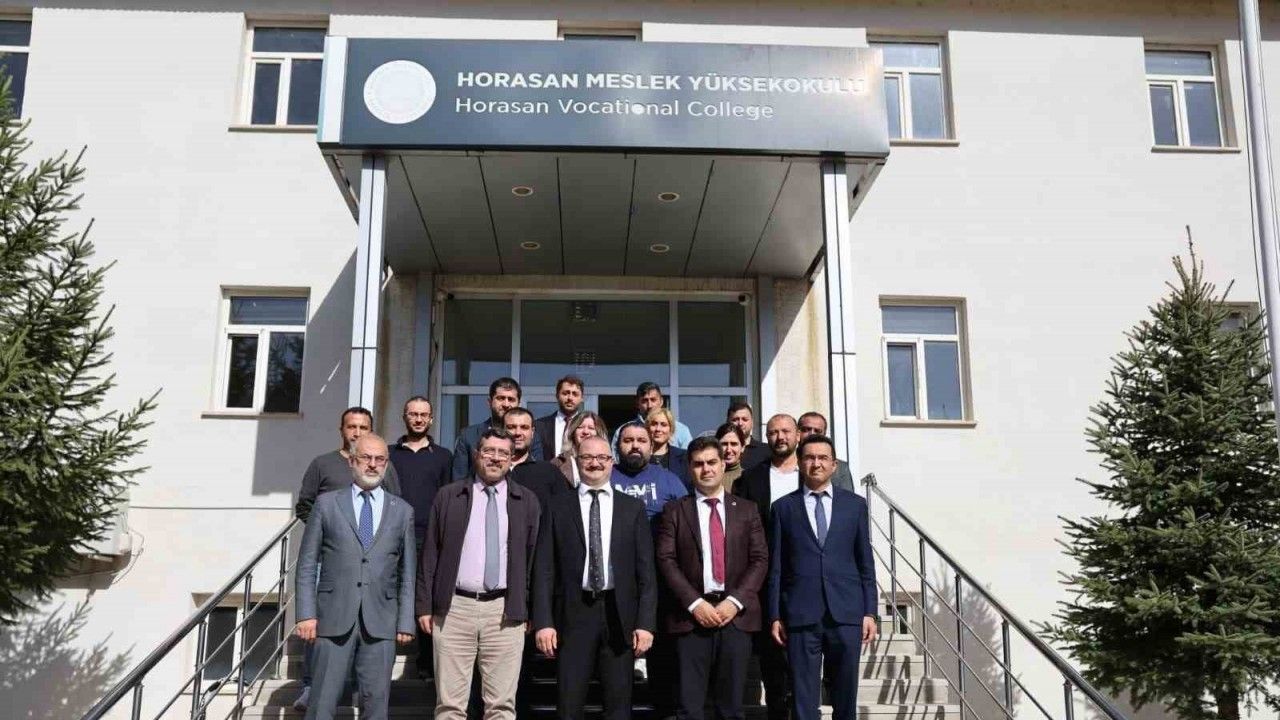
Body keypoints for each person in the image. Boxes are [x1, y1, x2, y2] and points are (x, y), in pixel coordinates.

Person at [416, 427, 541, 720]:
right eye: (489, 451)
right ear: (476, 455)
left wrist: (529, 608)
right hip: (454, 610)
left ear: (512, 459)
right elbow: (430, 553)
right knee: (450, 705)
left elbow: (535, 561)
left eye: (503, 453)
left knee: (501, 706)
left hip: (504, 613)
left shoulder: (526, 501)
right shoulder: (449, 496)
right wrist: (424, 605)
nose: (495, 458)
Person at [532, 436, 657, 720]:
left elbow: (646, 572)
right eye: (588, 457)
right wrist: (544, 622)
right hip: (573, 614)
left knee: (618, 707)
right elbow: (544, 568)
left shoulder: (632, 508)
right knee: (569, 704)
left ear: (611, 462)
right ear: (577, 461)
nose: (595, 463)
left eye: (602, 457)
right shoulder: (556, 506)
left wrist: (645, 623)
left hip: (619, 615)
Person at [294, 434, 416, 720]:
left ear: (386, 464)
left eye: (380, 459)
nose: (372, 464)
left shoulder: (403, 511)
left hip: (382, 621)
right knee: (321, 705)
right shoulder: (326, 504)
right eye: (366, 458)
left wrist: (405, 620)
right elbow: (307, 563)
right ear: (351, 461)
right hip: (332, 618)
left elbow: (408, 571)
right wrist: (306, 614)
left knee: (376, 707)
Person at [655, 437, 768, 720]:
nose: (706, 469)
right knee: (689, 708)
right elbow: (666, 560)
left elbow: (759, 559)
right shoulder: (674, 510)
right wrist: (695, 604)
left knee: (731, 709)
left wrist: (734, 602)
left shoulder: (747, 509)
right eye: (698, 464)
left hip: (735, 619)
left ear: (723, 464)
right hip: (689, 620)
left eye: (711, 462)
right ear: (689, 468)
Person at [768, 434, 878, 720]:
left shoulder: (855, 506)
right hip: (801, 613)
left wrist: (870, 611)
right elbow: (776, 566)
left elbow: (865, 562)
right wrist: (775, 615)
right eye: (809, 457)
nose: (816, 463)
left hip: (846, 613)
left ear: (834, 465)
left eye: (822, 458)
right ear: (800, 462)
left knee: (845, 695)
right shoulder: (782, 508)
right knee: (803, 697)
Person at [732, 413, 801, 720]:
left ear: (797, 435)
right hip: (765, 580)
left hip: (803, 580)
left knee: (802, 663)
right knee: (772, 662)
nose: (780, 437)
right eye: (773, 432)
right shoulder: (751, 478)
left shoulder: (809, 473)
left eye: (786, 431)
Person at [388, 396, 453, 679]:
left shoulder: (444, 456)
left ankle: (426, 663)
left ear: (431, 419)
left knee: (427, 598)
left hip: (429, 537)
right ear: (404, 417)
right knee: (390, 594)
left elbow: (448, 498)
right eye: (413, 414)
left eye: (423, 414)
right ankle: (385, 658)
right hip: (393, 536)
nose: (418, 419)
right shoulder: (389, 454)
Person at [296, 407, 402, 521]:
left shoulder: (383, 466)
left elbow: (395, 506)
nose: (357, 433)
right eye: (351, 427)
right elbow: (305, 507)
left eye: (363, 428)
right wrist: (324, 528)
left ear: (371, 432)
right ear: (341, 431)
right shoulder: (322, 464)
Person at [453, 378, 544, 479]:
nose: (506, 404)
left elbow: (538, 474)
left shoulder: (530, 437)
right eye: (501, 398)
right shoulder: (469, 436)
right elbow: (458, 479)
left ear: (519, 403)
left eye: (511, 399)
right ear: (490, 402)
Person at [611, 422, 687, 525]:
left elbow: (687, 518)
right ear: (617, 447)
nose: (635, 446)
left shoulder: (668, 479)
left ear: (651, 448)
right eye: (628, 441)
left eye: (642, 441)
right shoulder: (605, 478)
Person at [504, 407, 567, 508]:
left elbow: (562, 510)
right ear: (502, 430)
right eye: (511, 427)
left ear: (532, 432)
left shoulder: (549, 472)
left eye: (524, 427)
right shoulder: (491, 470)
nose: (518, 433)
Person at [611, 382, 692, 451]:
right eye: (644, 401)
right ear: (637, 403)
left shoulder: (681, 430)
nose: (649, 405)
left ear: (661, 401)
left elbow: (688, 460)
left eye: (653, 400)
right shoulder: (624, 431)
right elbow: (615, 460)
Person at [797, 411, 855, 492]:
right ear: (798, 433)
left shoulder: (840, 469)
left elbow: (847, 498)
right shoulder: (785, 465)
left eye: (817, 431)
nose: (812, 434)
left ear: (824, 434)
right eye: (806, 430)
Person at [550, 411, 608, 487]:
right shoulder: (557, 463)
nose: (585, 432)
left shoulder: (608, 463)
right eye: (580, 427)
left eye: (591, 428)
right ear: (573, 432)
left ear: (599, 433)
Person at [535, 375, 585, 461]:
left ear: (581, 398)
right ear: (557, 396)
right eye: (565, 393)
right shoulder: (539, 426)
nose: (570, 398)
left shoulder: (588, 427)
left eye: (575, 394)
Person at [646, 407, 689, 487]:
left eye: (663, 425)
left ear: (671, 430)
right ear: (647, 428)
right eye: (654, 424)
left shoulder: (684, 457)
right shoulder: (640, 457)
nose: (658, 429)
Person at [727, 402, 771, 472]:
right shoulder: (719, 450)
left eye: (744, 419)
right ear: (728, 422)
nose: (740, 423)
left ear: (752, 422)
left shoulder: (767, 451)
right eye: (735, 419)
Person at [714, 423, 748, 493]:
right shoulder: (707, 477)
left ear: (742, 447)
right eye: (724, 444)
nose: (728, 450)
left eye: (734, 444)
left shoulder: (750, 478)